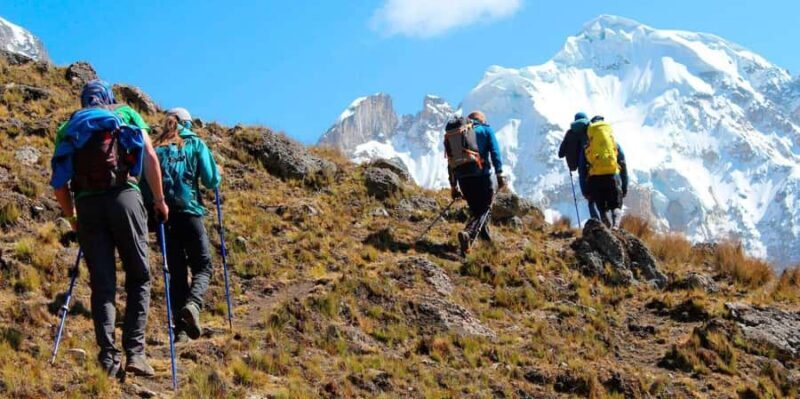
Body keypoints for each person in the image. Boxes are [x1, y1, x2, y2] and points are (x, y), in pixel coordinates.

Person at [50, 80, 169, 377]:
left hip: (88, 206)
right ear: (108, 97)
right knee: (139, 275)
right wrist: (159, 200)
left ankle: (108, 359)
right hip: (124, 198)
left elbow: (59, 185)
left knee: (102, 285)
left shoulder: (69, 128)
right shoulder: (126, 113)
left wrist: (74, 218)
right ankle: (136, 353)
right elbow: (150, 157)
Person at [143, 107, 221, 343]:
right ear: (187, 123)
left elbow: (145, 184)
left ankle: (181, 332)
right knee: (203, 266)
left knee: (176, 274)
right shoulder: (195, 143)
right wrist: (218, 172)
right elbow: (210, 180)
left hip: (164, 217)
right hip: (190, 213)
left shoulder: (156, 147)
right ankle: (194, 305)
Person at [445, 111, 505, 255]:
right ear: (482, 120)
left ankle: (480, 246)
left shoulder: (457, 134)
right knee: (484, 209)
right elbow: (495, 152)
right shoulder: (485, 129)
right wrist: (499, 174)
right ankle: (468, 234)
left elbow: (450, 162)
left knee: (477, 210)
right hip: (481, 175)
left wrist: (453, 186)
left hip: (462, 178)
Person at [580, 115, 629, 228]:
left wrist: (585, 190)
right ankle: (616, 226)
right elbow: (623, 164)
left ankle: (604, 222)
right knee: (616, 205)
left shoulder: (588, 146)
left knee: (601, 206)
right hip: (613, 176)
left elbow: (582, 170)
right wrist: (624, 186)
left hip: (595, 179)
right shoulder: (614, 145)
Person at [559, 112, 600, 220]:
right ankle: (605, 219)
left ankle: (596, 221)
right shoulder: (590, 130)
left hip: (581, 168)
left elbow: (560, 154)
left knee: (590, 197)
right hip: (594, 166)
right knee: (599, 193)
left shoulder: (570, 133)